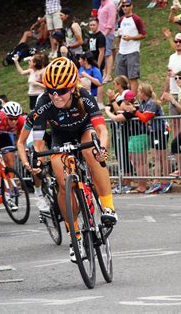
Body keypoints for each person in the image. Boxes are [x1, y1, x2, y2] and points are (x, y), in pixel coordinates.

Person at [33, 57, 117, 261]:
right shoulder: (43, 102)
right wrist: (38, 160)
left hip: (84, 131)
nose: (56, 96)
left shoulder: (84, 95)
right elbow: (37, 141)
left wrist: (101, 149)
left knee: (90, 152)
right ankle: (75, 235)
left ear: (72, 87)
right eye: (51, 90)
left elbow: (101, 129)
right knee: (63, 183)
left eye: (61, 91)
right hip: (59, 137)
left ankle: (108, 207)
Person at [105, 90, 156, 193]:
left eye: (124, 100)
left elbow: (116, 118)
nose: (123, 103)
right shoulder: (133, 107)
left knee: (140, 163)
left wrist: (107, 111)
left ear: (127, 100)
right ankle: (140, 185)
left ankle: (142, 186)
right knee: (138, 162)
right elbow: (119, 111)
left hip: (139, 136)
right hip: (136, 136)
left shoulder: (132, 109)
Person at [106, 75, 134, 193]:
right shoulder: (118, 95)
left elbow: (119, 110)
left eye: (115, 84)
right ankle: (123, 180)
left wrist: (112, 100)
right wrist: (110, 100)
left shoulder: (126, 94)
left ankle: (127, 181)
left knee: (123, 153)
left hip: (123, 128)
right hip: (116, 128)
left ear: (120, 84)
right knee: (118, 153)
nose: (114, 86)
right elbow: (110, 107)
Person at [115, 0, 147, 93]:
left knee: (132, 77)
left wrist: (131, 38)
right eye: (123, 6)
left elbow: (143, 34)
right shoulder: (121, 19)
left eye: (127, 5)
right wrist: (118, 48)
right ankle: (123, 98)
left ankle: (133, 99)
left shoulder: (136, 19)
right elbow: (119, 35)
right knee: (120, 78)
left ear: (131, 6)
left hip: (133, 51)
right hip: (121, 51)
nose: (125, 7)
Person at [98, 0, 117, 82]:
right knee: (104, 53)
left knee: (108, 54)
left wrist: (105, 34)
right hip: (101, 33)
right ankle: (105, 73)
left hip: (107, 33)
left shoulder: (110, 4)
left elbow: (111, 21)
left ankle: (109, 75)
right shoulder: (102, 3)